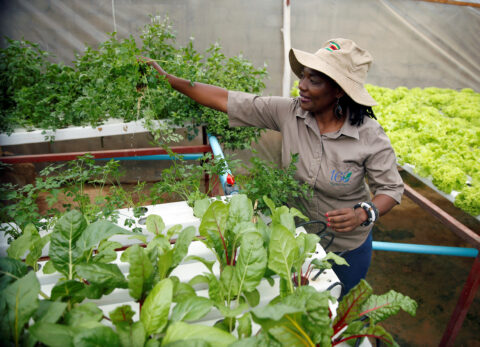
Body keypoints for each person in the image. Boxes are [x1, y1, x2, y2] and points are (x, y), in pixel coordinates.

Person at [139, 38, 404, 298]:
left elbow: (391, 189)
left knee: (340, 311)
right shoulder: (290, 113)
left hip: (347, 249)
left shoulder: (369, 135)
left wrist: (364, 213)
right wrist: (167, 78)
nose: (301, 86)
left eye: (314, 80)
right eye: (304, 76)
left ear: (339, 91)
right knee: (299, 304)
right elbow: (225, 99)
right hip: (296, 241)